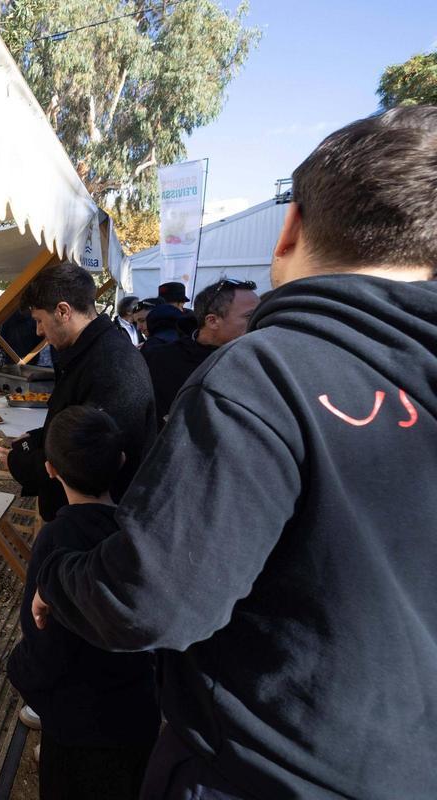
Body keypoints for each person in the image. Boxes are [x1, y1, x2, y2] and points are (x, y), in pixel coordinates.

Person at [31, 108, 437, 800]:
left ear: (290, 228)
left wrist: (59, 579)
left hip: (256, 770)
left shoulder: (265, 376)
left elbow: (149, 598)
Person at [7, 406, 159, 800]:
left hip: (76, 725)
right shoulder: (140, 531)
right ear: (122, 460)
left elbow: (44, 642)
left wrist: (18, 670)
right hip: (138, 713)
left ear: (51, 470)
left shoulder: (57, 539)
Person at [6, 263, 156, 522]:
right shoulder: (89, 351)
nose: (39, 331)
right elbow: (72, 416)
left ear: (63, 311)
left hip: (99, 522)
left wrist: (21, 461)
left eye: (40, 320)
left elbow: (87, 455)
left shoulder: (113, 363)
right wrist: (35, 438)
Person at [143, 278, 259, 427]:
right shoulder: (159, 359)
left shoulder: (257, 363)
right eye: (249, 316)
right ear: (212, 321)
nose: (259, 322)